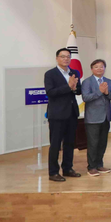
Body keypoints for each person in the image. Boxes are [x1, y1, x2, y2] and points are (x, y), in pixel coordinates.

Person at [44, 48, 83, 182]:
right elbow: (50, 92)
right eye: (63, 56)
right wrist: (68, 86)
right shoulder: (50, 74)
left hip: (72, 113)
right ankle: (53, 172)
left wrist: (75, 88)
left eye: (68, 57)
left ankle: (67, 168)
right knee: (55, 144)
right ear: (57, 58)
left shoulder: (74, 72)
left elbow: (79, 91)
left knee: (70, 143)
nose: (66, 59)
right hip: (57, 114)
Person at [81, 59, 111, 177]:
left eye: (101, 67)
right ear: (92, 69)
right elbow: (85, 98)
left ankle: (100, 164)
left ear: (104, 68)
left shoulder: (109, 81)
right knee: (93, 143)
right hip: (92, 118)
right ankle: (92, 167)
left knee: (102, 143)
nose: (99, 69)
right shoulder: (87, 82)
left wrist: (106, 93)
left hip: (106, 117)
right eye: (96, 67)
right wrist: (100, 92)